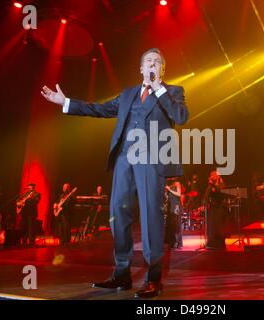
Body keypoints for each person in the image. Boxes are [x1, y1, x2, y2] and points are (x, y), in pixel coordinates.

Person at [41, 48, 189, 298]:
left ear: (162, 70)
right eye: (147, 62)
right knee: (117, 215)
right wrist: (65, 103)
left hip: (151, 161)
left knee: (151, 216)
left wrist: (159, 89)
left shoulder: (173, 92)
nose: (152, 65)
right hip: (124, 159)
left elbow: (181, 117)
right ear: (140, 69)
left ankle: (153, 278)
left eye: (157, 62)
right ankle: (121, 274)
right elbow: (100, 109)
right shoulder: (128, 94)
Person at [202, 170, 226, 250]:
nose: (212, 176)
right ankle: (211, 242)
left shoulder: (221, 184)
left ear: (218, 176)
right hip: (212, 208)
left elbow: (220, 192)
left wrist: (215, 183)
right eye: (211, 175)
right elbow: (206, 195)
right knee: (211, 226)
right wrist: (210, 184)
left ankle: (219, 243)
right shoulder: (210, 185)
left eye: (214, 175)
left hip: (219, 207)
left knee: (218, 226)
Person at [164, 177, 183, 249]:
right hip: (171, 205)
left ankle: (177, 242)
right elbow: (168, 197)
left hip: (176, 206)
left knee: (176, 224)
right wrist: (166, 194)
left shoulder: (177, 183)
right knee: (171, 224)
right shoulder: (169, 184)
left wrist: (169, 189)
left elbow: (179, 194)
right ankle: (171, 242)